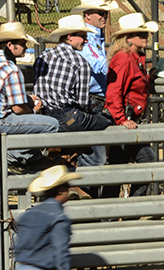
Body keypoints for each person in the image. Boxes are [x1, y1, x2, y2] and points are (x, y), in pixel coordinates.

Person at [0, 22, 59, 173]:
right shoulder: (12, 69)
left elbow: (2, 91)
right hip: (0, 120)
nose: (26, 47)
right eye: (22, 44)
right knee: (52, 124)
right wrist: (34, 110)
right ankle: (15, 156)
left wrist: (27, 98)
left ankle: (26, 157)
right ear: (10, 45)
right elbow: (18, 109)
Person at [34, 15, 112, 169]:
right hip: (68, 116)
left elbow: (38, 87)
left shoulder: (43, 56)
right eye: (83, 37)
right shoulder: (80, 62)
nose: (86, 41)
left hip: (44, 115)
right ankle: (72, 154)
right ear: (70, 37)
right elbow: (83, 102)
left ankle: (65, 155)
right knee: (107, 122)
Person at [106, 13, 159, 196]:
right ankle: (134, 210)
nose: (145, 37)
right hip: (126, 121)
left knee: (116, 168)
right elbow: (114, 92)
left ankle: (107, 214)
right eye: (140, 34)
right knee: (147, 159)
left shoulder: (135, 57)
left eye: (145, 34)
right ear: (128, 38)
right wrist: (121, 119)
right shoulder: (124, 58)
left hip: (130, 119)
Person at [71, 0, 117, 104]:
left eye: (106, 13)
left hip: (98, 94)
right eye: (101, 13)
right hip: (93, 97)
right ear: (87, 15)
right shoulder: (86, 37)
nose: (104, 17)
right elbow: (98, 63)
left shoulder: (96, 34)